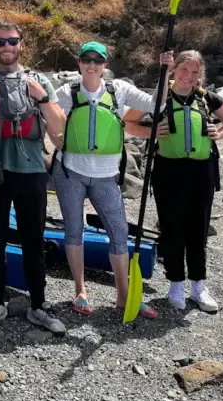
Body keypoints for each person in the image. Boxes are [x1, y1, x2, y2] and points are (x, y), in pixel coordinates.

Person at [47, 42, 174, 318]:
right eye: (86, 59)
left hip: (106, 176)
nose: (91, 64)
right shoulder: (66, 92)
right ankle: (80, 290)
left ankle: (123, 294)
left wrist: (165, 73)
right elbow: (48, 114)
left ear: (105, 65)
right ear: (79, 63)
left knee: (118, 232)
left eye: (97, 60)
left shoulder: (120, 91)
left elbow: (158, 104)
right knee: (74, 230)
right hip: (70, 172)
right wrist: (52, 134)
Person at [0, 22, 66, 334]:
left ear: (21, 44)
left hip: (33, 171)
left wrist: (42, 98)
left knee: (33, 239)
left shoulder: (39, 81)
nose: (6, 47)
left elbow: (59, 130)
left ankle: (38, 304)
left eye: (11, 41)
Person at [151, 50, 223, 313]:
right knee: (171, 227)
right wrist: (152, 131)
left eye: (194, 72)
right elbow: (131, 122)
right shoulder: (162, 97)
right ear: (175, 69)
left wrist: (220, 134)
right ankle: (175, 284)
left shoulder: (206, 98)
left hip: (202, 171)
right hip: (168, 170)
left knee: (198, 228)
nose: (188, 77)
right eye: (184, 70)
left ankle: (198, 286)